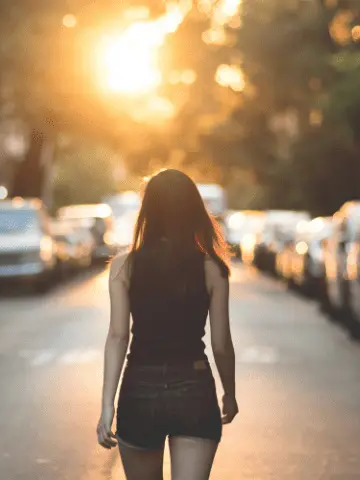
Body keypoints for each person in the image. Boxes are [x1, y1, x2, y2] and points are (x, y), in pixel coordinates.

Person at [97, 169, 238, 480]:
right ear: (194, 210)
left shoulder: (125, 267)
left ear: (148, 210)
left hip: (139, 391)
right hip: (194, 389)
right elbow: (221, 345)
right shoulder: (212, 268)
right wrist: (229, 392)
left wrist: (107, 404)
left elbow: (118, 337)